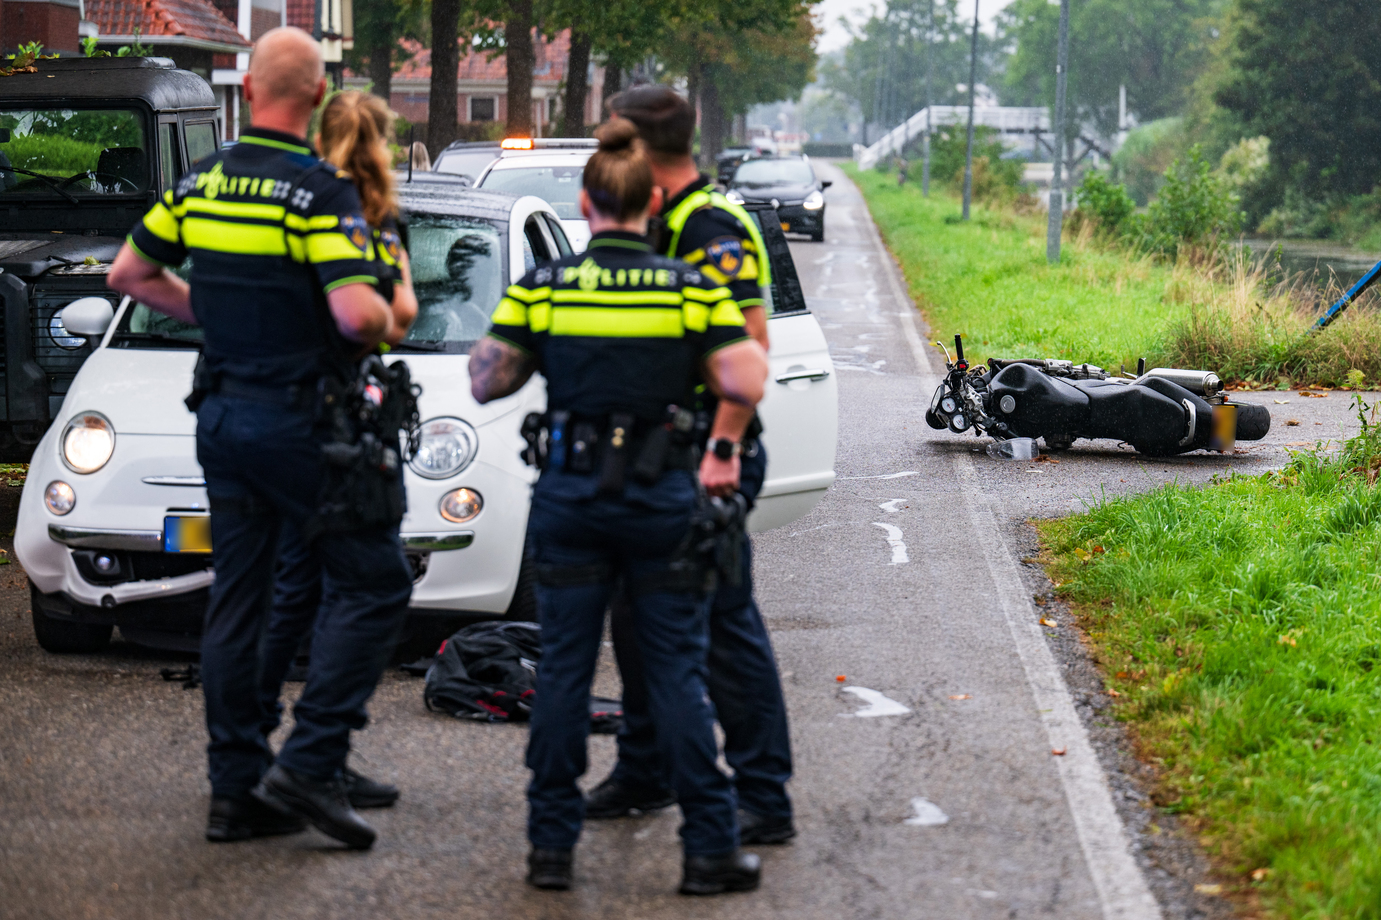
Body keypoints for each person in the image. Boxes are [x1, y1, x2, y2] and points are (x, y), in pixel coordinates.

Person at [107, 27, 415, 850]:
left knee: (238, 598)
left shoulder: (200, 183)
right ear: (315, 99)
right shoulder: (317, 191)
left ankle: (234, 791)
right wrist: (388, 311)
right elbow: (355, 316)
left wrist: (208, 312)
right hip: (302, 421)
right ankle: (311, 760)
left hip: (222, 417)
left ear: (246, 91)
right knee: (377, 577)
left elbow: (128, 276)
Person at [469, 118, 770, 895]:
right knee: (673, 671)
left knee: (565, 669)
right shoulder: (690, 287)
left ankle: (550, 850)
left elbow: (486, 380)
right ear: (650, 204)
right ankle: (707, 850)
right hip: (660, 499)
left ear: (585, 202)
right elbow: (746, 377)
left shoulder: (548, 285)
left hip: (570, 497)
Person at [598, 84, 796, 846]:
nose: (602, 151)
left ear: (645, 143)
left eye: (611, 138)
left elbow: (750, 348)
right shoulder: (652, 217)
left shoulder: (708, 226)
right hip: (648, 454)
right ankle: (643, 771)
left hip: (702, 456)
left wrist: (721, 446)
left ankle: (762, 797)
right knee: (635, 620)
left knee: (721, 627)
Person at [255, 88, 418, 812]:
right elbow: (395, 323)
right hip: (339, 428)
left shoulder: (296, 204)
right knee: (371, 583)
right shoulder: (374, 221)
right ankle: (314, 757)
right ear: (381, 142)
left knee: (295, 589)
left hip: (277, 415)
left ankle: (265, 755)